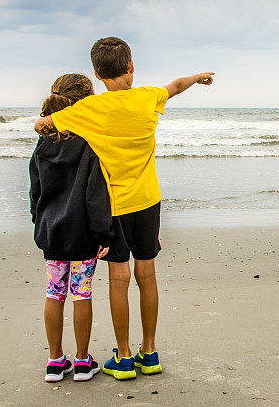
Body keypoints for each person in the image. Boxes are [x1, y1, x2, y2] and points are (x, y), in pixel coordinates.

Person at [34, 37, 214, 380]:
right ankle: (150, 352)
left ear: (98, 75)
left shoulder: (88, 109)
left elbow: (43, 125)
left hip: (112, 207)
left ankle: (125, 356)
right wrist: (198, 77)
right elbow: (175, 86)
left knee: (119, 278)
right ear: (131, 65)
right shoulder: (148, 97)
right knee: (147, 274)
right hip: (147, 201)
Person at [29, 73, 113, 383]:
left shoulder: (43, 143)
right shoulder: (88, 142)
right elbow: (95, 194)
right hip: (82, 234)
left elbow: (35, 190)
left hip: (52, 232)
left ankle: (54, 361)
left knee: (54, 293)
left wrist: (39, 223)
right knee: (82, 294)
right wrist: (104, 232)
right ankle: (81, 361)